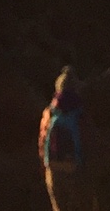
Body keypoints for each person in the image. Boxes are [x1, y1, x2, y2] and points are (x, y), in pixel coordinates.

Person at [38, 66, 85, 209]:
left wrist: (45, 166)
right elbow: (90, 143)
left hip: (52, 169)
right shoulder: (80, 113)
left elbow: (41, 142)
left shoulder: (49, 113)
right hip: (74, 170)